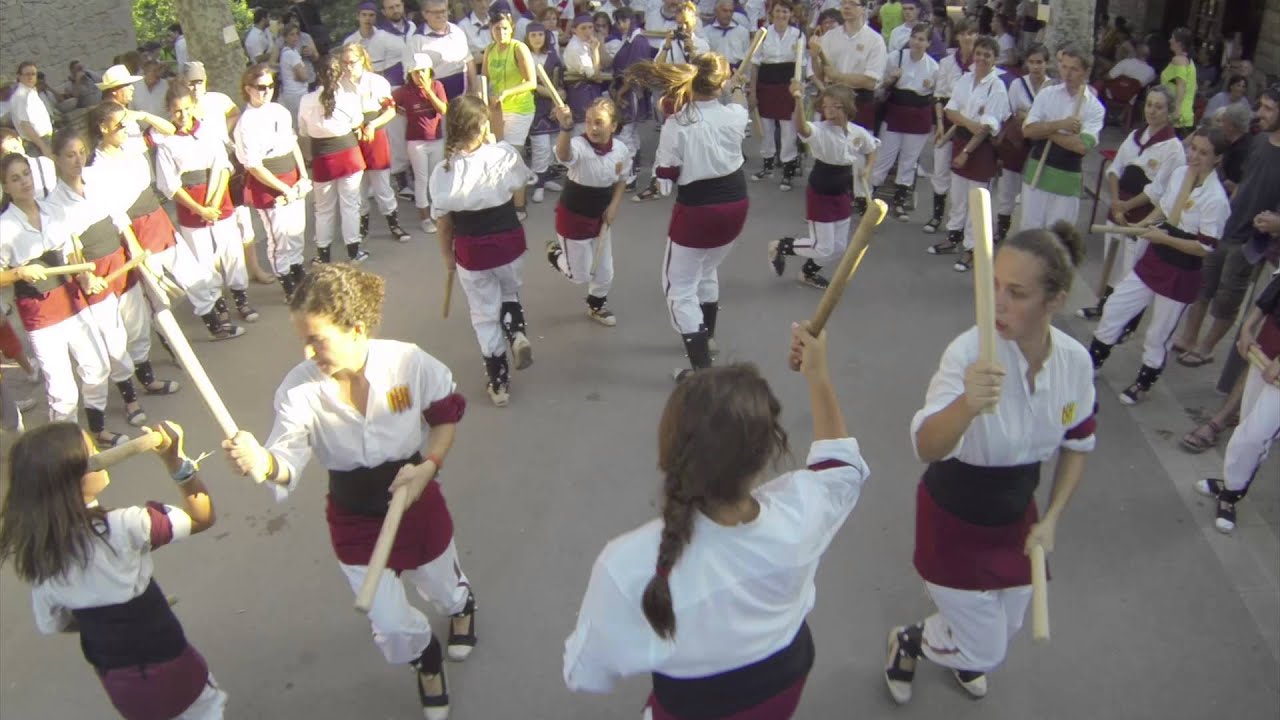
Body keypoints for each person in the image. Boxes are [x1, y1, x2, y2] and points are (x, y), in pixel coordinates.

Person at [563, 325, 870, 718]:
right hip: (783, 687)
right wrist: (819, 376)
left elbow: (586, 675)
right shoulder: (801, 515)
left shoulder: (626, 565)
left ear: (669, 448)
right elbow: (840, 468)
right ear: (766, 455)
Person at [221, 264, 475, 720]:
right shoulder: (299, 390)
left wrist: (428, 467)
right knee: (391, 623)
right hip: (353, 515)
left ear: (356, 329)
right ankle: (426, 659)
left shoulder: (407, 362)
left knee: (442, 586)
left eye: (317, 338)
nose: (307, 350)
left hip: (415, 498)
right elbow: (285, 460)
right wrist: (261, 463)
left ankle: (462, 606)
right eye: (302, 339)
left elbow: (445, 415)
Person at [885, 221, 1096, 705]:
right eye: (993, 285)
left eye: (1017, 293)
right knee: (989, 646)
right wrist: (966, 405)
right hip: (952, 518)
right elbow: (926, 447)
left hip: (1019, 518)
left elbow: (1079, 444)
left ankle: (960, 645)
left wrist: (1053, 519)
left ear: (1055, 300)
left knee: (1010, 621)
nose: (997, 303)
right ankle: (911, 641)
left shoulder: (1075, 364)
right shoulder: (967, 354)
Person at [0, 421, 225, 719]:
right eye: (93, 452)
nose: (102, 452)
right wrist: (175, 459)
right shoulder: (124, 527)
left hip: (123, 688)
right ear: (75, 477)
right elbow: (202, 517)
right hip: (176, 671)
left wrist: (102, 621)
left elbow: (54, 623)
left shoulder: (42, 561)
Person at [626, 53, 748, 379]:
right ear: (720, 84)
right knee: (706, 270)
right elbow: (738, 100)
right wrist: (734, 88)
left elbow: (665, 182)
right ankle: (706, 338)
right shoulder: (736, 114)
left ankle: (702, 373)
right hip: (736, 206)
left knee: (678, 288)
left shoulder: (676, 124)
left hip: (698, 211)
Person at [1089, 128, 1231, 405]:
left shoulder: (1216, 199)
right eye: (1194, 148)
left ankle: (1144, 381)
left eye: (1204, 153)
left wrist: (1165, 237)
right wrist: (1138, 226)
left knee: (1158, 334)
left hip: (1182, 271)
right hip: (1155, 258)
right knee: (1117, 305)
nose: (1194, 156)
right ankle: (1093, 361)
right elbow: (1164, 210)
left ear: (1218, 159)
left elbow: (1205, 247)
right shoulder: (1180, 174)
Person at [48, 130, 179, 428]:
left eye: (81, 151)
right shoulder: (55, 202)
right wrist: (84, 278)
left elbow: (120, 219)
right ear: (56, 159)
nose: (78, 159)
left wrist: (134, 251)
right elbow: (69, 248)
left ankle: (148, 380)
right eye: (70, 155)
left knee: (137, 324)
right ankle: (130, 398)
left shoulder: (96, 180)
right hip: (93, 272)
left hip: (120, 260)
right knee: (113, 337)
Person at [0, 153, 123, 445]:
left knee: (97, 366)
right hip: (40, 313)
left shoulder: (52, 210)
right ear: (5, 187)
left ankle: (97, 429)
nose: (24, 182)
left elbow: (72, 252)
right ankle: (68, 448)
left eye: (26, 174)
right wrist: (18, 272)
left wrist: (85, 276)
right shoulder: (4, 227)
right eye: (15, 179)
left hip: (71, 300)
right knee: (62, 390)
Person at [88, 101, 236, 342]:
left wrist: (144, 113)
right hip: (133, 229)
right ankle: (171, 343)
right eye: (120, 125)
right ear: (104, 128)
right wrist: (133, 245)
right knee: (158, 294)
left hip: (156, 218)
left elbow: (167, 130)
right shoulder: (97, 168)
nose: (126, 129)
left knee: (190, 272)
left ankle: (214, 325)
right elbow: (115, 212)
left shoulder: (131, 145)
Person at [430, 95, 536, 405]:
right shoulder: (502, 154)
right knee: (508, 292)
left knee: (483, 314)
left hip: (472, 249)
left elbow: (444, 224)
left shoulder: (444, 171)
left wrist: (448, 258)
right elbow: (519, 182)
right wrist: (496, 141)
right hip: (510, 242)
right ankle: (516, 331)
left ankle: (499, 383)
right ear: (483, 126)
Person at [1174, 88, 1280, 367]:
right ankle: (1188, 338)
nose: (1260, 113)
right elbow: (1245, 183)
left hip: (1250, 241)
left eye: (1269, 109)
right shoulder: (1258, 142)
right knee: (1203, 287)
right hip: (1226, 227)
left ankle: (1206, 348)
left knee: (1227, 299)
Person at [1077, 85, 1183, 324]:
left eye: (1159, 107)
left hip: (1142, 215)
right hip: (1118, 208)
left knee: (1131, 269)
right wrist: (1116, 202)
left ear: (1169, 111)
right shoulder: (1135, 136)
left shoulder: (1173, 148)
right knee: (1112, 263)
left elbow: (1158, 190)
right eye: (1149, 105)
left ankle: (1126, 320)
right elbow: (1116, 169)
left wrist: (1127, 207)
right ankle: (1104, 305)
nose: (1152, 111)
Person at [153, 87, 259, 327]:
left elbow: (222, 166)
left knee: (230, 249)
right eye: (177, 111)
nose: (182, 115)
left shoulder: (209, 132)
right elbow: (170, 185)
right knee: (203, 257)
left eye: (186, 109)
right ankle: (217, 303)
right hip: (191, 203)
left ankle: (240, 297)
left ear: (194, 107)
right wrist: (200, 209)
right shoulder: (167, 144)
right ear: (170, 112)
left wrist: (214, 201)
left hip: (218, 197)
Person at [1195, 267, 1280, 532]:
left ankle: (1230, 496)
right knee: (1247, 423)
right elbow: (1270, 295)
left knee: (1257, 434)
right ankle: (1230, 482)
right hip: (1268, 344)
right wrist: (1247, 327)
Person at [770, 82, 877, 288]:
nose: (829, 111)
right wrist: (798, 100)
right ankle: (780, 245)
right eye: (826, 106)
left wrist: (868, 168)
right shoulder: (820, 130)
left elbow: (871, 149)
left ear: (847, 107)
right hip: (821, 191)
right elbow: (801, 127)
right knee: (823, 248)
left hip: (843, 192)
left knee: (838, 247)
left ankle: (807, 273)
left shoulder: (858, 132)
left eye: (835, 106)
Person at [928, 36, 1009, 273]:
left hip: (979, 148)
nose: (982, 59)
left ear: (995, 59)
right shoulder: (965, 78)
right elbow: (952, 109)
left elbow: (986, 128)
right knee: (958, 194)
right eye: (979, 54)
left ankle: (972, 249)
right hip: (963, 137)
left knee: (977, 200)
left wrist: (966, 151)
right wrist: (969, 121)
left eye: (987, 55)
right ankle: (953, 238)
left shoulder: (997, 87)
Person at [545, 98, 630, 325]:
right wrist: (565, 128)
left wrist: (614, 206)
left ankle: (596, 307)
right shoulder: (579, 146)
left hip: (602, 218)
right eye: (588, 121)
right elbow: (564, 156)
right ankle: (554, 254)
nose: (592, 127)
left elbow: (622, 180)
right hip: (573, 217)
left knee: (605, 271)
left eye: (599, 122)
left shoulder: (621, 150)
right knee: (579, 275)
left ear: (613, 125)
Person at [234, 63, 311, 302]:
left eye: (270, 86)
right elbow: (254, 165)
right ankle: (287, 281)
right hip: (269, 182)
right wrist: (284, 188)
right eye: (260, 87)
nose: (266, 91)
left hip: (291, 174)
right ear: (248, 89)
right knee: (279, 237)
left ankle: (299, 273)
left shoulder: (279, 111)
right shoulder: (246, 122)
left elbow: (292, 142)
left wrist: (303, 175)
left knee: (296, 230)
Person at [1019, 44, 1105, 232]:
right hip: (1038, 172)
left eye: (1074, 69)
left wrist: (1047, 131)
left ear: (1086, 71)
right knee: (1030, 232)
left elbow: (1082, 146)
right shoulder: (1047, 94)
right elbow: (1028, 131)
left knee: (1057, 238)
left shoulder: (1094, 107)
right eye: (1064, 67)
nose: (1067, 73)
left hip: (1067, 178)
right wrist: (1060, 125)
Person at [341, 42, 413, 245]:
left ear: (362, 59)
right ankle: (362, 225)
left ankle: (393, 223)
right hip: (351, 135)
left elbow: (390, 111)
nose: (348, 67)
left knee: (381, 183)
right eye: (344, 63)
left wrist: (373, 124)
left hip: (374, 133)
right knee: (357, 184)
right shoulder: (340, 83)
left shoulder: (376, 81)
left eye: (352, 62)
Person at [299, 56, 369, 264]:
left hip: (323, 156)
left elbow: (303, 130)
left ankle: (323, 255)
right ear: (341, 74)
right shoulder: (349, 98)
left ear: (318, 74)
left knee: (323, 208)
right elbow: (356, 122)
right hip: (348, 154)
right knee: (350, 204)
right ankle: (354, 252)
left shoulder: (306, 100)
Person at [871, 22, 937, 221]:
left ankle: (899, 201)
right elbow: (880, 86)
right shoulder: (895, 58)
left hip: (918, 115)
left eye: (922, 39)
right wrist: (892, 79)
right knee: (884, 157)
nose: (917, 42)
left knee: (908, 161)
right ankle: (869, 196)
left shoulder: (933, 67)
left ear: (928, 43)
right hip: (895, 112)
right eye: (915, 38)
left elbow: (936, 94)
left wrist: (930, 87)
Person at [922, 20, 976, 235]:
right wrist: (941, 125)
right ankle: (937, 215)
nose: (966, 38)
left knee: (963, 174)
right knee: (941, 168)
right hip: (946, 119)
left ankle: (960, 220)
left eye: (971, 33)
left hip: (969, 123)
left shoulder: (979, 65)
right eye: (963, 33)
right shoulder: (946, 63)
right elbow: (938, 96)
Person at [992, 43, 1048, 242]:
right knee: (1008, 186)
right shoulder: (1017, 85)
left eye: (1039, 62)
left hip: (1040, 144)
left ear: (1046, 64)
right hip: (1017, 143)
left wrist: (1030, 116)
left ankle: (1026, 231)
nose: (1035, 67)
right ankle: (1002, 227)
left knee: (1032, 189)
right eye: (1032, 62)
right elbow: (1012, 112)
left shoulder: (1051, 88)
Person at [749, 0, 806, 190]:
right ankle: (767, 167)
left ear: (791, 14)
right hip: (766, 86)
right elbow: (755, 65)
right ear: (771, 13)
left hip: (786, 87)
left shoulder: (798, 35)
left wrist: (798, 91)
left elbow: (801, 66)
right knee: (766, 128)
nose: (781, 15)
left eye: (785, 12)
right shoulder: (763, 34)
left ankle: (788, 172)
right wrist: (753, 91)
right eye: (778, 11)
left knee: (788, 130)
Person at [810, 0, 886, 132]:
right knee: (828, 146)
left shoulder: (875, 41)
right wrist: (814, 57)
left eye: (852, 3)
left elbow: (870, 81)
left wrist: (838, 76)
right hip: (832, 99)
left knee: (857, 148)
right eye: (844, 3)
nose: (846, 7)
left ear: (863, 8)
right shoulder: (830, 36)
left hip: (858, 101)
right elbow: (821, 75)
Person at [394, 53, 449, 233]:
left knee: (436, 176)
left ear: (430, 71)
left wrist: (430, 92)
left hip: (436, 139)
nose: (420, 75)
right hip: (416, 142)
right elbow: (387, 102)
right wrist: (401, 112)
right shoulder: (405, 91)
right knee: (421, 179)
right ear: (410, 74)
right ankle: (424, 218)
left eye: (423, 71)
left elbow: (443, 108)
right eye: (416, 72)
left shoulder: (437, 85)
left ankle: (437, 212)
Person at [483, 4, 539, 170]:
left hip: (520, 108)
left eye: (505, 29)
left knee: (513, 153)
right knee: (498, 151)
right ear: (491, 30)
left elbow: (532, 82)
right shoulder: (489, 49)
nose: (502, 33)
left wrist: (507, 92)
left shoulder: (519, 48)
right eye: (497, 29)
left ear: (512, 28)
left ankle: (519, 193)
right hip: (498, 107)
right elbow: (484, 78)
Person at [525, 23, 565, 203]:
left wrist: (559, 99)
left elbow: (561, 81)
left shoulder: (552, 55)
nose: (537, 38)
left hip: (553, 108)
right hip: (535, 107)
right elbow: (531, 84)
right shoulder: (525, 57)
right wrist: (553, 95)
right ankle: (538, 184)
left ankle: (546, 178)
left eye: (540, 34)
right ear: (527, 37)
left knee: (551, 147)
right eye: (533, 35)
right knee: (540, 147)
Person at [408, 0, 478, 103]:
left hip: (462, 90)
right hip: (434, 94)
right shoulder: (417, 39)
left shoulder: (457, 31)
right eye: (435, 12)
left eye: (443, 11)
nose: (440, 15)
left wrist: (474, 89)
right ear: (425, 14)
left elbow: (469, 60)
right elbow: (412, 73)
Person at [563, 15, 607, 135]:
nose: (588, 31)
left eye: (590, 27)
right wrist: (596, 50)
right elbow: (595, 76)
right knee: (583, 131)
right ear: (574, 30)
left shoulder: (584, 44)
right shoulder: (576, 48)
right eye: (583, 28)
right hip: (580, 94)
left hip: (589, 92)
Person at [10, 62, 54, 157]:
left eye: (33, 74)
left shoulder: (29, 92)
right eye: (27, 74)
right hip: (37, 144)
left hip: (44, 140)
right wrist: (43, 147)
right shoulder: (21, 96)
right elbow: (25, 124)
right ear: (19, 76)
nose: (30, 77)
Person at [0, 129, 57, 200]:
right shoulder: (4, 177)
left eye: (15, 148)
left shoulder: (44, 163)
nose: (15, 153)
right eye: (9, 153)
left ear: (19, 141)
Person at [1160, 27, 1196, 137]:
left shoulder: (1179, 61)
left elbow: (1181, 85)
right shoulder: (1189, 62)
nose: (1169, 40)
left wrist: (1177, 110)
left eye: (1172, 38)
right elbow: (1195, 87)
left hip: (1176, 116)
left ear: (1179, 43)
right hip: (1186, 113)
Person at [279, 24, 316, 119]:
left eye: (297, 34)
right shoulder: (290, 54)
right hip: (296, 94)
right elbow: (303, 76)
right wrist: (302, 73)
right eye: (291, 35)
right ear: (285, 37)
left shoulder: (293, 51)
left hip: (296, 92)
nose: (295, 37)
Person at [705, 0, 751, 70]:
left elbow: (747, 56)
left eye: (731, 11)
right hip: (715, 70)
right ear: (716, 11)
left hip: (736, 71)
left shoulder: (742, 31)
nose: (728, 14)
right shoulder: (706, 31)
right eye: (725, 11)